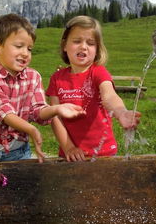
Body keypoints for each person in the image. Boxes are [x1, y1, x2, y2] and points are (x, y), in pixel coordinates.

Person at [0, 14, 85, 163]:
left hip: (19, 152)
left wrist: (56, 109)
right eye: (19, 46)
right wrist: (31, 129)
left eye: (30, 48)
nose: (25, 53)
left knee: (24, 185)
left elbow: (37, 111)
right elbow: (5, 113)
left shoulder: (33, 77)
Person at [46, 15, 141, 162]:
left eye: (90, 43)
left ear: (97, 49)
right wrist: (68, 147)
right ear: (65, 45)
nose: (83, 46)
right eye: (77, 41)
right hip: (70, 155)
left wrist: (121, 112)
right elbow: (55, 117)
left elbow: (109, 96)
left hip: (103, 154)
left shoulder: (98, 72)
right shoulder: (57, 79)